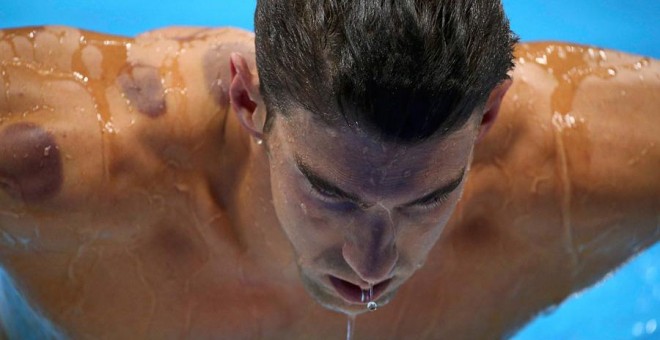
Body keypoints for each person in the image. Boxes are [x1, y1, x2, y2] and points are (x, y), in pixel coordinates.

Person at [0, 0, 658, 338]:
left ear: (488, 116)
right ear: (249, 99)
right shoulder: (73, 165)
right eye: (331, 193)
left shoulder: (578, 169)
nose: (372, 263)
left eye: (427, 199)